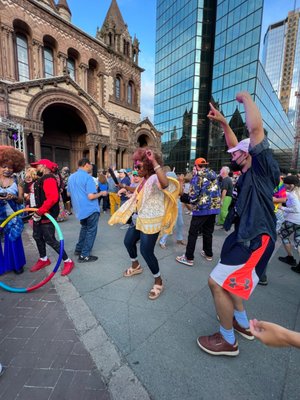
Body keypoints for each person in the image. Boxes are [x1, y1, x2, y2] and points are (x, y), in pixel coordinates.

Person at [196, 92, 280, 357]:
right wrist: (223, 122)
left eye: (242, 151)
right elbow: (236, 144)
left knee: (216, 283)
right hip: (245, 236)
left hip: (255, 238)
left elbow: (255, 129)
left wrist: (245, 99)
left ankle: (227, 339)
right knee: (230, 282)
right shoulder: (246, 170)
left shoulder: (263, 168)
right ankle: (242, 325)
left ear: (252, 153)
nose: (235, 154)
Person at [109, 148, 179, 300]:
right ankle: (136, 266)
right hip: (139, 219)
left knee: (146, 251)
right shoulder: (145, 180)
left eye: (138, 166)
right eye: (135, 166)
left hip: (151, 222)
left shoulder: (154, 178)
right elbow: (139, 191)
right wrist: (125, 187)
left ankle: (158, 280)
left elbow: (165, 184)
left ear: (147, 166)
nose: (135, 170)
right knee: (128, 241)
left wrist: (154, 161)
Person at [30, 159, 74, 276]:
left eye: (37, 166)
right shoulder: (41, 179)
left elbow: (53, 198)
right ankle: (44, 259)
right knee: (37, 236)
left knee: (50, 239)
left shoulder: (49, 178)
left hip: (46, 215)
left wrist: (39, 212)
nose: (36, 169)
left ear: (44, 166)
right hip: (39, 213)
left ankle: (68, 261)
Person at [176, 157, 221, 266]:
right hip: (214, 208)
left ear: (196, 166)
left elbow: (192, 198)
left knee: (193, 233)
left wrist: (181, 194)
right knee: (208, 231)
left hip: (202, 209)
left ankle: (188, 258)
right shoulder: (213, 174)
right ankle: (208, 253)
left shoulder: (197, 177)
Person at [67, 158, 106, 263]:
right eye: (91, 165)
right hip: (90, 208)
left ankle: (79, 249)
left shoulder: (71, 177)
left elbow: (68, 194)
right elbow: (91, 196)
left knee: (84, 228)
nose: (92, 167)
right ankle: (85, 255)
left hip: (79, 209)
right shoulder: (88, 178)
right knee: (91, 231)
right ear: (86, 165)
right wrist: (101, 193)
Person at [0, 145, 26, 275]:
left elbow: (21, 200)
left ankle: (17, 265)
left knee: (13, 239)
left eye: (10, 167)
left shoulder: (18, 180)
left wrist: (14, 197)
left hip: (12, 215)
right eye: (4, 166)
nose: (7, 169)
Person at [277, 175, 300, 273]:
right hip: (298, 221)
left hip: (293, 220)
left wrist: (282, 208)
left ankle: (290, 258)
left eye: (285, 184)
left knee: (283, 235)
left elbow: (296, 209)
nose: (283, 185)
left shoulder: (291, 194)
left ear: (290, 185)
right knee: (298, 241)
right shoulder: (297, 192)